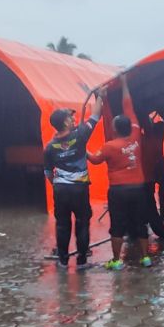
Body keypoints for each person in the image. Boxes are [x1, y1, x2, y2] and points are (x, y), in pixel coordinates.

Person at [87, 75, 152, 270]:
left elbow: (95, 160)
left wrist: (82, 148)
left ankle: (116, 261)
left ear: (114, 128)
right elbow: (128, 106)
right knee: (141, 223)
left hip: (119, 191)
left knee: (117, 225)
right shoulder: (135, 137)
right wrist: (124, 84)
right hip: (139, 188)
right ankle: (145, 258)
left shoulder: (109, 147)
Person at [43, 92, 103, 269]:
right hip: (79, 189)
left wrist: (56, 184)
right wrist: (100, 97)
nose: (73, 119)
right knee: (82, 223)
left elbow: (47, 172)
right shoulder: (80, 135)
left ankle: (62, 260)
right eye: (70, 117)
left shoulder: (49, 147)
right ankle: (82, 261)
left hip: (60, 190)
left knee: (62, 224)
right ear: (66, 122)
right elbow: (96, 115)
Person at [141, 114, 164, 240]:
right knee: (157, 197)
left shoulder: (141, 138)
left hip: (148, 176)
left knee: (149, 202)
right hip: (155, 172)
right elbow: (162, 123)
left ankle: (152, 224)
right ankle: (160, 220)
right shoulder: (158, 136)